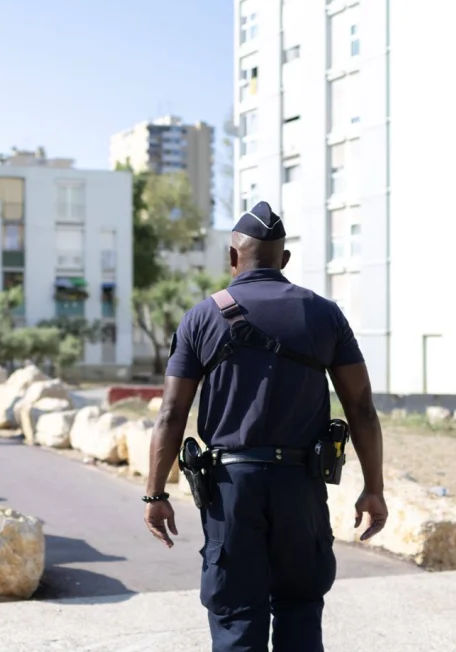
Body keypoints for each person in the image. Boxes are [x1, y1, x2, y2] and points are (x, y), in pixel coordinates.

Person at [142, 201, 388, 652]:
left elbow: (171, 413)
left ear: (233, 257)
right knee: (299, 608)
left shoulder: (202, 316)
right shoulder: (325, 313)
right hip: (301, 487)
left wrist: (156, 493)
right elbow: (362, 407)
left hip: (230, 490)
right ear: (285, 260)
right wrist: (374, 487)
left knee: (236, 615)